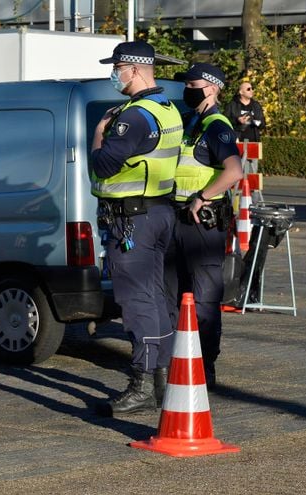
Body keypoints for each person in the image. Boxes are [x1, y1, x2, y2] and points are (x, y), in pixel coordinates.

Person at [90, 41, 183, 416]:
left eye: (117, 68)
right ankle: (161, 381)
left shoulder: (133, 117)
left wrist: (100, 130)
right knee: (156, 298)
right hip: (157, 212)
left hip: (133, 222)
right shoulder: (165, 109)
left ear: (133, 69)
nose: (114, 74)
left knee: (137, 301)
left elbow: (104, 165)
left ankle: (142, 384)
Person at [165, 63, 244, 389]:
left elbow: (234, 171)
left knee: (204, 299)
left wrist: (202, 196)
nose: (188, 89)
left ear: (212, 87)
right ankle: (177, 364)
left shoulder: (217, 126)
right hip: (177, 221)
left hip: (203, 225)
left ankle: (205, 370)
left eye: (193, 84)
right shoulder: (188, 122)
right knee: (171, 296)